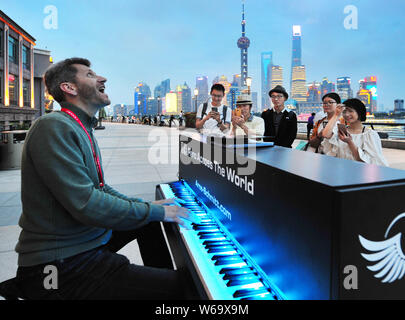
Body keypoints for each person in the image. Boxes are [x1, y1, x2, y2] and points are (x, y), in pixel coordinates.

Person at [4, 58, 196, 300]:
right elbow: (85, 203)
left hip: (84, 243)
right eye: (91, 74)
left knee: (146, 220)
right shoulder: (52, 127)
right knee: (188, 289)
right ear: (69, 88)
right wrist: (156, 212)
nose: (102, 78)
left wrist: (146, 208)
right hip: (59, 265)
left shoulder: (81, 126)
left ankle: (156, 285)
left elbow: (100, 188)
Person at [321, 98, 388, 166]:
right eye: (344, 111)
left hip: (360, 172)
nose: (347, 114)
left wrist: (350, 142)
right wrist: (336, 115)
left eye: (350, 111)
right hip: (340, 171)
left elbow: (369, 161)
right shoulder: (340, 131)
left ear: (359, 112)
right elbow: (325, 134)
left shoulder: (369, 134)